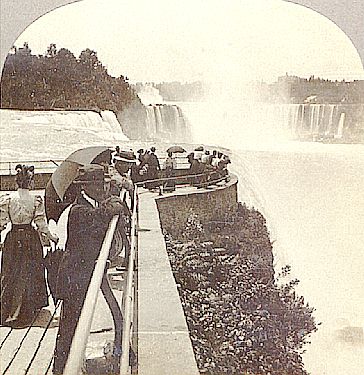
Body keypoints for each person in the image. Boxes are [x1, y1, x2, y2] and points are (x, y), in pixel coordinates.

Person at [53, 165, 125, 375]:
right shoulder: (78, 211)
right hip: (74, 276)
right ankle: (60, 369)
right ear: (87, 187)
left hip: (87, 271)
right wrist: (112, 203)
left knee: (76, 324)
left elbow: (108, 211)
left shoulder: (91, 204)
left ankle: (120, 350)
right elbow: (99, 218)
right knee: (69, 327)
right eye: (100, 183)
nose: (104, 186)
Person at [0, 165, 58, 327]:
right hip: (30, 238)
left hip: (13, 238)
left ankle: (8, 309)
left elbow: (2, 222)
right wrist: (52, 237)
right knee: (31, 271)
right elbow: (41, 224)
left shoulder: (8, 199)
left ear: (16, 182)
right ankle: (29, 308)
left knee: (11, 272)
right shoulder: (35, 199)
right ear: (31, 182)